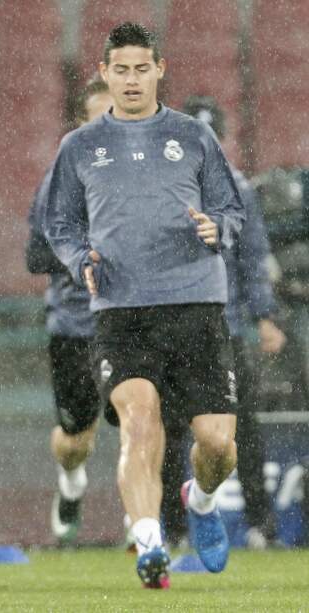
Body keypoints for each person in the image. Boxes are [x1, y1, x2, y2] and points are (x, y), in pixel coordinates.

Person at [44, 23, 245, 589]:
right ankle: (149, 542)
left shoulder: (193, 136)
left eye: (141, 68)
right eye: (121, 69)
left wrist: (218, 227)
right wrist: (78, 255)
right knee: (138, 422)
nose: (131, 80)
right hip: (120, 309)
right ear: (104, 74)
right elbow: (58, 223)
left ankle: (201, 501)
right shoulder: (79, 145)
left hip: (195, 303)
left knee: (216, 444)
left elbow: (233, 209)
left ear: (160, 69)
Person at [160, 96, 286, 549]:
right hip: (174, 325)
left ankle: (259, 524)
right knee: (168, 430)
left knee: (242, 430)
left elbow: (253, 257)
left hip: (224, 327)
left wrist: (265, 316)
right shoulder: (162, 186)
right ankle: (171, 527)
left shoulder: (237, 188)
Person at [25, 76, 113, 546]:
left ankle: (146, 528)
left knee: (145, 419)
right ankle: (71, 480)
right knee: (76, 437)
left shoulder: (156, 172)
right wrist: (86, 257)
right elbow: (35, 255)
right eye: (99, 119)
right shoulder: (62, 177)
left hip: (135, 317)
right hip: (77, 324)